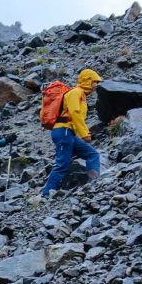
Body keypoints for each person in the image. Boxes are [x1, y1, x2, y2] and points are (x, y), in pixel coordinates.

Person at [40, 68, 104, 197]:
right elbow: (74, 112)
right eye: (94, 81)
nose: (96, 85)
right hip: (63, 131)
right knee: (62, 165)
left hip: (68, 133)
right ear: (87, 81)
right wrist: (85, 133)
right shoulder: (76, 92)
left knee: (92, 154)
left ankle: (94, 183)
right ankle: (45, 195)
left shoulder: (81, 95)